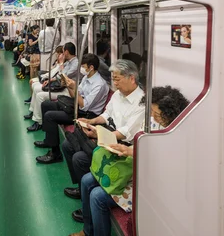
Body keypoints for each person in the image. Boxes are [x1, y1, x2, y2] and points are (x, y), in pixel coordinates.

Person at [70, 86, 189, 236]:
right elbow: (143, 145)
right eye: (151, 112)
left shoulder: (176, 136)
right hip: (135, 170)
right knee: (87, 179)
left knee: (97, 196)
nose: (152, 116)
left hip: (148, 184)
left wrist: (131, 152)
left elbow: (159, 163)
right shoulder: (153, 123)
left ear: (170, 114)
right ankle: (88, 231)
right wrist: (127, 150)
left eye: (156, 113)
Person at [61, 59, 145, 200]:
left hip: (121, 143)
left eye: (117, 80)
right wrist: (91, 121)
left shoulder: (141, 102)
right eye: (113, 80)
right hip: (108, 132)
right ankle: (81, 186)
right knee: (67, 145)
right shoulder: (118, 94)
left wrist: (100, 134)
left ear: (131, 78)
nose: (115, 84)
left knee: (79, 158)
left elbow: (125, 132)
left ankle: (86, 191)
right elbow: (107, 115)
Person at [35, 53, 109, 165]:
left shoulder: (99, 85)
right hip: (76, 107)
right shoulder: (86, 77)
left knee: (50, 116)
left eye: (83, 67)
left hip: (87, 114)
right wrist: (69, 86)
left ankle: (56, 154)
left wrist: (73, 88)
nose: (82, 69)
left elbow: (84, 104)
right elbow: (75, 96)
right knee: (47, 104)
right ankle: (48, 140)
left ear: (91, 67)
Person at [24, 43, 78, 131]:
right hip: (61, 86)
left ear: (67, 52)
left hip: (67, 90)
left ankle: (39, 122)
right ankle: (34, 112)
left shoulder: (75, 63)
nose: (62, 54)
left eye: (63, 52)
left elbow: (64, 75)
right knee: (36, 88)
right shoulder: (69, 62)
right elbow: (61, 75)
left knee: (40, 95)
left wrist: (59, 72)